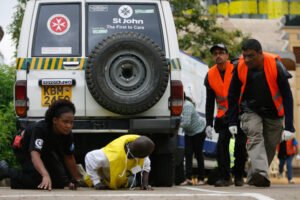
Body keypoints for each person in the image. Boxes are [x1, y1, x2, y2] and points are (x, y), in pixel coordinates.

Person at [228, 39, 295, 187]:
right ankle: (261, 173)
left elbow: (288, 97)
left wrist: (290, 126)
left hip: (274, 113)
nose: (246, 60)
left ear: (260, 54)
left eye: (251, 56)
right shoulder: (240, 67)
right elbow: (232, 94)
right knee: (254, 134)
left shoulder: (276, 66)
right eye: (244, 56)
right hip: (249, 110)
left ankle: (255, 177)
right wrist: (232, 120)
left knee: (270, 146)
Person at [0, 100, 82, 190]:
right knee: (39, 180)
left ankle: (24, 178)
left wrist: (76, 179)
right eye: (65, 122)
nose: (69, 126)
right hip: (24, 149)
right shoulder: (41, 129)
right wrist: (45, 175)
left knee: (60, 182)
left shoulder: (67, 134)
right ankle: (6, 170)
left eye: (71, 122)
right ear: (55, 120)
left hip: (44, 151)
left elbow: (69, 157)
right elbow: (35, 155)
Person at [204, 44, 247, 187]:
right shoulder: (210, 74)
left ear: (227, 55)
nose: (218, 56)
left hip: (238, 113)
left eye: (221, 53)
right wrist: (208, 123)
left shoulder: (236, 69)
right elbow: (210, 102)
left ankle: (239, 175)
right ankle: (225, 177)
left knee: (240, 145)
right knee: (222, 145)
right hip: (223, 116)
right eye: (215, 53)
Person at [84, 134, 155, 190]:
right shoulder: (111, 155)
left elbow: (146, 165)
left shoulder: (141, 152)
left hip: (121, 180)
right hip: (103, 178)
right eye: (147, 154)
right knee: (86, 180)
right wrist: (96, 182)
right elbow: (89, 157)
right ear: (141, 155)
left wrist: (145, 184)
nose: (148, 156)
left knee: (133, 182)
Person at [179, 93, 206, 186]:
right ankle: (188, 179)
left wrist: (175, 123)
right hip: (189, 132)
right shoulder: (180, 105)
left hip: (198, 131)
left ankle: (201, 178)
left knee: (198, 154)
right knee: (188, 154)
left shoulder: (187, 106)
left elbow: (186, 123)